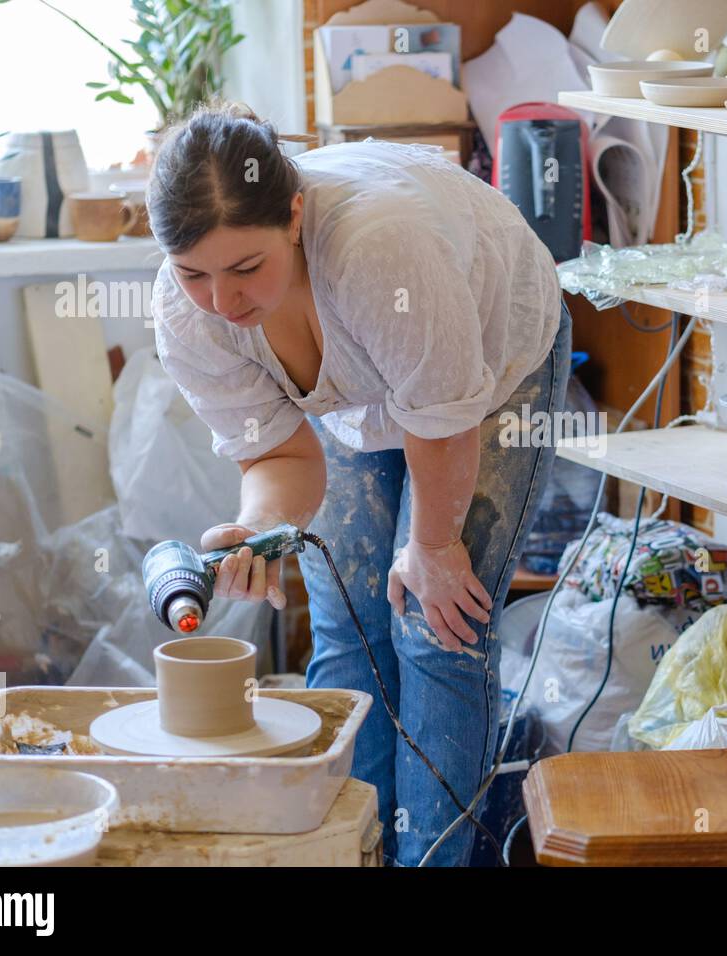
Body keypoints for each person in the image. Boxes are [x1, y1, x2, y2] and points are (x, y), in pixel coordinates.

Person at [146, 102, 570, 866]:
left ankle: (431, 861)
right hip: (363, 390)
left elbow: (440, 419)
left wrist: (432, 545)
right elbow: (280, 458)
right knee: (346, 621)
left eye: (246, 268)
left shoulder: (379, 249)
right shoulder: (187, 314)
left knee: (436, 626)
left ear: (297, 214)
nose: (222, 302)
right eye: (193, 274)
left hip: (485, 365)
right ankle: (350, 854)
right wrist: (260, 531)